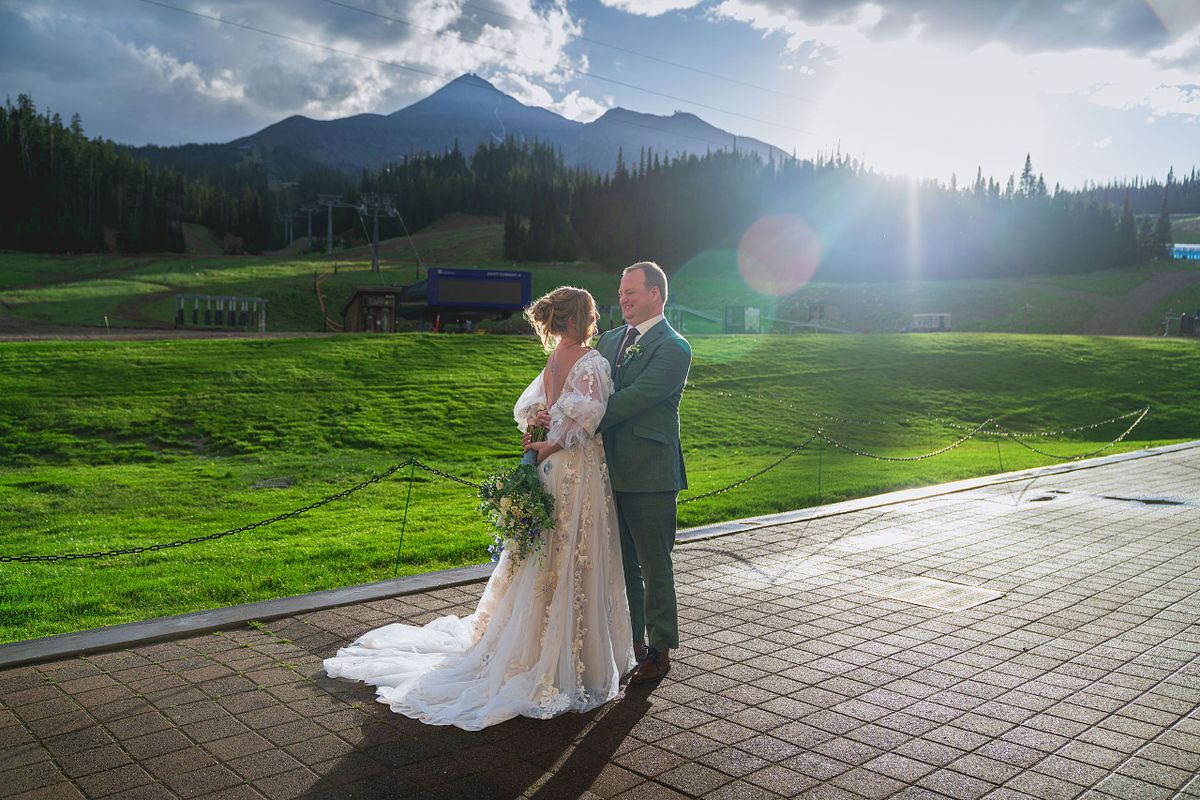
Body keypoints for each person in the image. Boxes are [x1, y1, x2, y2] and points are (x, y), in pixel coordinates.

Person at [324, 287, 635, 730]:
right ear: (578, 319)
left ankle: (532, 644)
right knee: (574, 553)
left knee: (545, 556)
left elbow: (535, 412)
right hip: (574, 469)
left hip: (547, 469)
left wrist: (537, 443)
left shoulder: (553, 361)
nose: (596, 320)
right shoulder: (592, 361)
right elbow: (587, 420)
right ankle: (569, 658)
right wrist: (550, 444)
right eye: (591, 314)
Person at [543, 262, 691, 684]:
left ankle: (660, 650)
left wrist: (573, 422)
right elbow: (578, 384)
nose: (623, 299)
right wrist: (553, 416)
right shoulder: (608, 340)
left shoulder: (674, 347)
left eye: (631, 292)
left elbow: (633, 399)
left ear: (655, 294)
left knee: (654, 563)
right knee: (622, 566)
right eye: (621, 292)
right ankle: (633, 644)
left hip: (650, 473)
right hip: (603, 471)